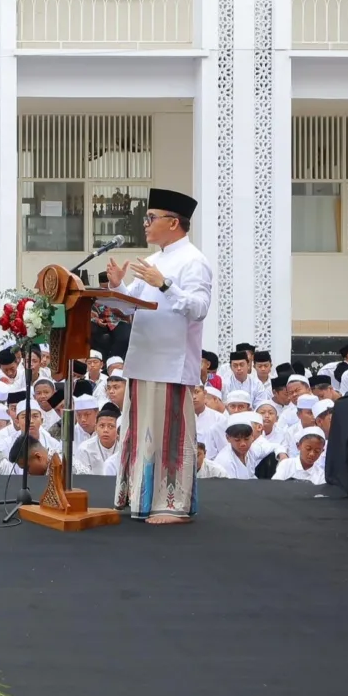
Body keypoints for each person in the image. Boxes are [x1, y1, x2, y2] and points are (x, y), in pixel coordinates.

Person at [109, 188, 213, 524]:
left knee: (169, 435)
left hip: (171, 363)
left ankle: (174, 506)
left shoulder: (194, 261)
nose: (145, 223)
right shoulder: (152, 261)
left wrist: (165, 284)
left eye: (151, 217)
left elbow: (199, 308)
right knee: (140, 434)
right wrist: (117, 287)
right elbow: (133, 307)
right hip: (143, 358)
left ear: (173, 222)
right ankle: (138, 498)